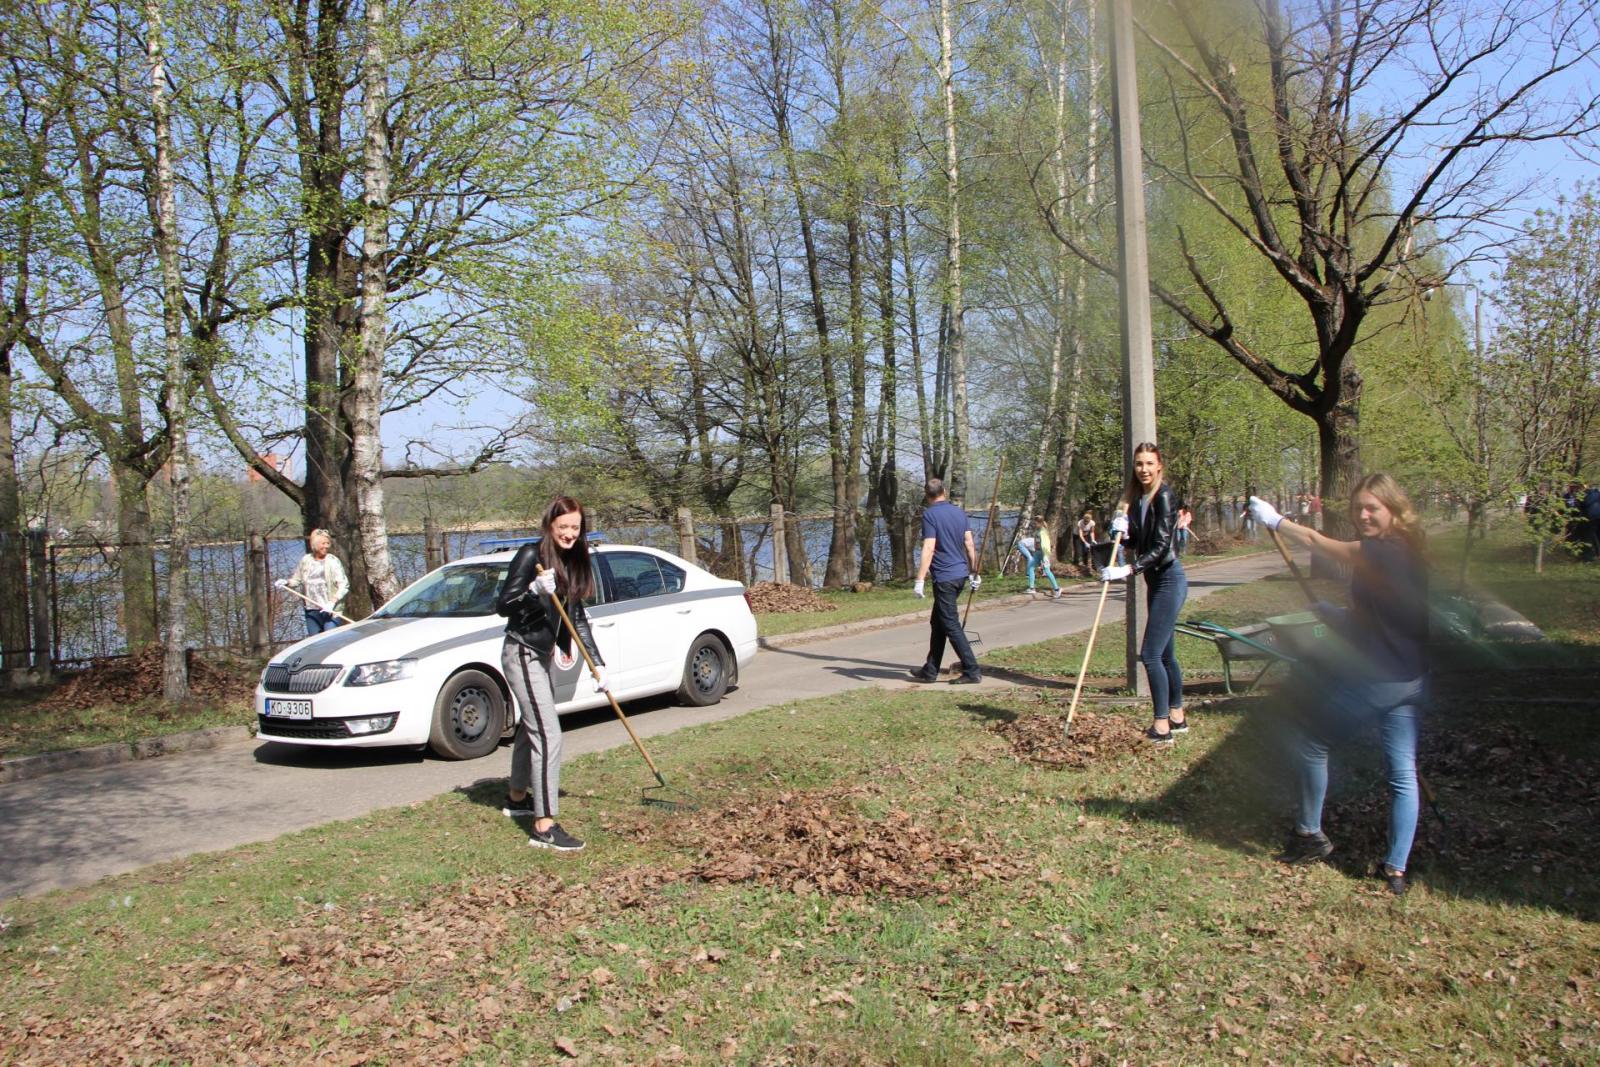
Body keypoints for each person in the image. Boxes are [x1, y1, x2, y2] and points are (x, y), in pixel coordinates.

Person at [1248, 474, 1428, 895]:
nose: (1363, 515)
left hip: (1382, 678)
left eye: (1372, 508)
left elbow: (1316, 542)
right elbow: (1387, 616)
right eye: (1358, 508)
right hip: (1412, 677)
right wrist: (1338, 615)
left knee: (1311, 741)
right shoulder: (1411, 548)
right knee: (1403, 771)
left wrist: (1276, 523)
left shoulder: (1382, 551)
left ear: (1392, 509)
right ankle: (1396, 869)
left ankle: (1309, 835)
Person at [495, 497, 608, 852]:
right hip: (522, 650)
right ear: (550, 526)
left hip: (541, 655)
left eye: (575, 527)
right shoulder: (531, 556)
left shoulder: (574, 560)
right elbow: (502, 605)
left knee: (533, 728)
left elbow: (576, 619)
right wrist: (531, 591)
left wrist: (597, 663)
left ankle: (516, 798)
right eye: (564, 527)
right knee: (548, 732)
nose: (570, 534)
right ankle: (544, 826)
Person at [1100, 443, 1188, 742]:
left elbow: (1162, 546)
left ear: (1159, 465)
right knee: (1165, 654)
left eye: (1149, 463)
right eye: (1139, 464)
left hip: (1169, 579)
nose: (1144, 469)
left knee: (1150, 654)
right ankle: (1177, 715)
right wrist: (1122, 533)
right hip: (1154, 579)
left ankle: (1161, 725)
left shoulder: (1164, 495)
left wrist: (1127, 570)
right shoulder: (1138, 499)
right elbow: (1140, 540)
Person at [910, 478, 983, 685]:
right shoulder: (958, 512)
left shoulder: (930, 515)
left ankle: (972, 670)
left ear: (927, 495)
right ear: (944, 491)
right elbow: (969, 543)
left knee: (950, 624)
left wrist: (920, 579)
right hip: (959, 575)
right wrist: (973, 571)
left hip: (945, 578)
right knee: (938, 622)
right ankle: (930, 670)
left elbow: (929, 548)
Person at [276, 529, 349, 636]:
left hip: (331, 610)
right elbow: (297, 580)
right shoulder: (306, 560)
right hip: (311, 609)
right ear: (314, 544)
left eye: (328, 543)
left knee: (330, 639)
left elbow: (344, 585)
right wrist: (286, 582)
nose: (326, 546)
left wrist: (332, 602)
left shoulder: (333, 561)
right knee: (315, 642)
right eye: (323, 543)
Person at [1015, 519, 1061, 599]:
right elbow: (1036, 543)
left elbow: (1045, 544)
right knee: (1031, 568)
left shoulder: (1043, 532)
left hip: (1044, 553)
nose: (1034, 525)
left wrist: (1045, 556)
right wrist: (1036, 551)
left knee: (1047, 571)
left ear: (1040, 523)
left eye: (1035, 523)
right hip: (1038, 553)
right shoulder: (1037, 532)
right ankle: (1032, 588)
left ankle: (1057, 589)